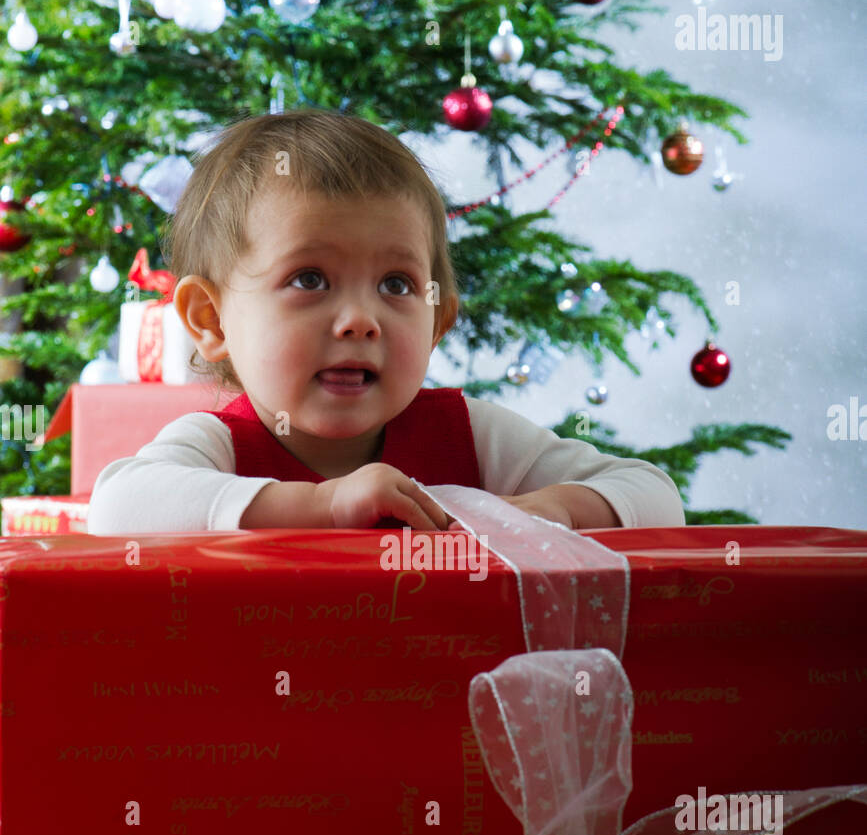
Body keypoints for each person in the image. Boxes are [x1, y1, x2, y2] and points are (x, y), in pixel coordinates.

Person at [87, 109, 685, 536]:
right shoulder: (220, 446)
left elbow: (654, 495)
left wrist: (553, 510)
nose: (359, 321)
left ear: (436, 322)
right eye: (310, 279)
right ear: (210, 318)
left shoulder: (470, 436)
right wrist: (322, 506)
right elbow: (117, 508)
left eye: (396, 285)